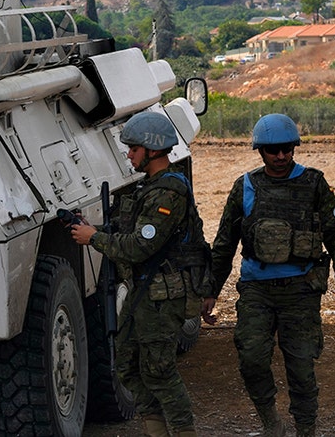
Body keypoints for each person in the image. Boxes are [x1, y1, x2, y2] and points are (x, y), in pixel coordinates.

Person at [201, 113, 335, 437]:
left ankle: (305, 429)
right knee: (252, 358)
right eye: (274, 150)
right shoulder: (244, 187)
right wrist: (210, 291)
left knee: (301, 367)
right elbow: (224, 245)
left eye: (287, 149)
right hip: (257, 289)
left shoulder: (314, 184)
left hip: (301, 290)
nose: (281, 156)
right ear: (261, 151)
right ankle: (271, 422)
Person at [69, 111, 202, 437]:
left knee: (160, 372)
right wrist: (91, 229)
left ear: (153, 150)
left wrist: (94, 239)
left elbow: (141, 247)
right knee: (129, 367)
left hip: (161, 298)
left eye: (134, 149)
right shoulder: (150, 189)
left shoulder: (167, 194)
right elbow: (132, 233)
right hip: (143, 294)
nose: (128, 154)